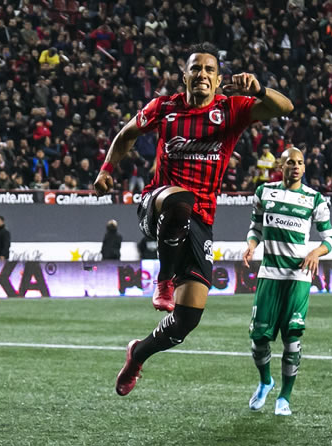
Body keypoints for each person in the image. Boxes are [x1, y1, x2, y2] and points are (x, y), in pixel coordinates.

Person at [93, 42, 294, 396]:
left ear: (218, 80)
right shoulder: (165, 107)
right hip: (158, 205)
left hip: (201, 221)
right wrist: (107, 169)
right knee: (180, 201)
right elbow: (126, 135)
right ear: (184, 75)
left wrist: (260, 88)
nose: (202, 74)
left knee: (187, 320)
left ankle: (137, 354)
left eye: (209, 70)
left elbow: (285, 107)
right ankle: (165, 279)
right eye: (195, 68)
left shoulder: (231, 110)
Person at [242, 147, 332, 416]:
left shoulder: (315, 199)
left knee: (292, 337)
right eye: (290, 162)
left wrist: (316, 252)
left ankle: (285, 397)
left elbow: (330, 238)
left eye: (300, 163)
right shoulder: (264, 193)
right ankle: (265, 382)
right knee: (258, 338)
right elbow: (255, 228)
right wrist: (251, 245)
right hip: (269, 274)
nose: (295, 166)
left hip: (298, 276)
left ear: (304, 168)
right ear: (280, 166)